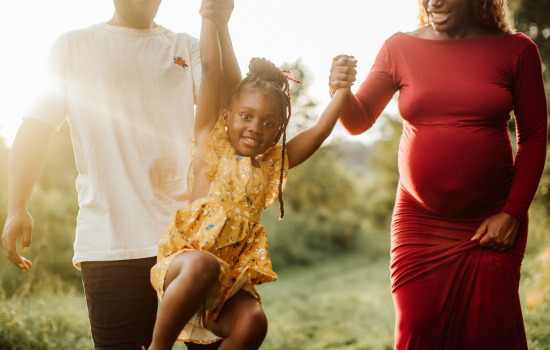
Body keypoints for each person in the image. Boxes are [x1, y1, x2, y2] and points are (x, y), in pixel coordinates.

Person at [1, 1, 240, 349]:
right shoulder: (73, 46)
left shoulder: (186, 45)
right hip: (110, 244)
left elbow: (231, 106)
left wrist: (220, 26)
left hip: (191, 239)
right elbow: (37, 127)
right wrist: (16, 207)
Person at [330, 0, 547, 349]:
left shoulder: (517, 50)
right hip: (419, 224)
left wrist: (513, 213)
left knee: (489, 338)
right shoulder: (398, 48)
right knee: (418, 332)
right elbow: (358, 120)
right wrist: (340, 91)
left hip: (489, 224)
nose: (434, 1)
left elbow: (534, 137)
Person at [146, 15, 355, 350]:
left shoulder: (272, 165)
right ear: (227, 115)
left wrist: (342, 92)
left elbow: (316, 133)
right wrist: (210, 18)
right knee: (204, 263)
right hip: (184, 268)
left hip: (225, 284)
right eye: (246, 116)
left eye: (268, 123)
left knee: (254, 321)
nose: (255, 127)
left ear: (278, 132)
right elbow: (212, 71)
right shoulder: (209, 143)